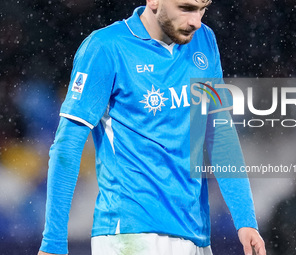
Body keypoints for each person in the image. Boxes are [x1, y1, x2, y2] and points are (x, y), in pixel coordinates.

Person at [38, 0, 266, 254]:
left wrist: (246, 221)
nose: (196, 21)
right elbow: (67, 146)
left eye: (202, 9)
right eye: (187, 8)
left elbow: (219, 132)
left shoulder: (204, 40)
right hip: (131, 234)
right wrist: (53, 243)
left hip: (196, 234)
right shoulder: (106, 46)